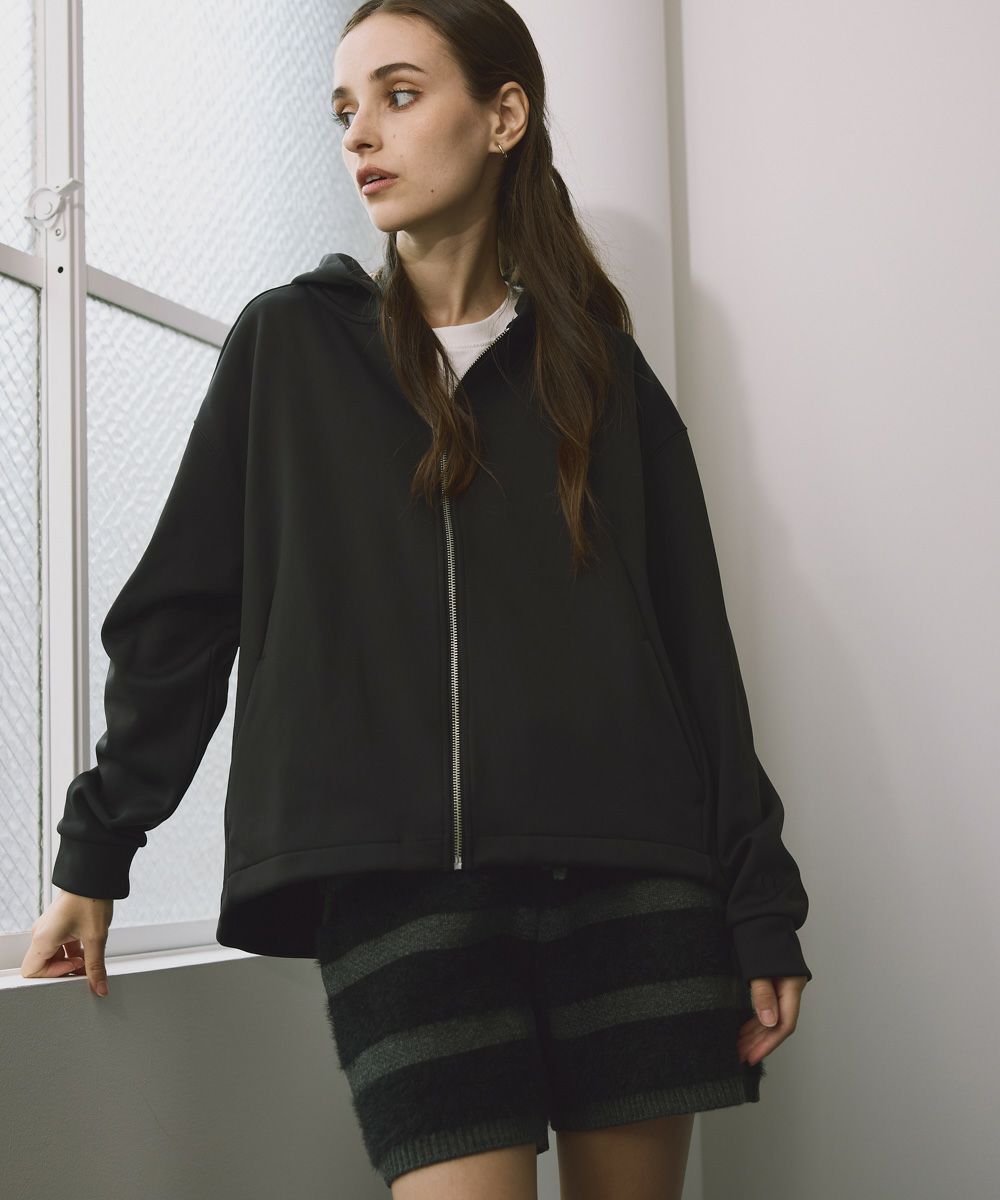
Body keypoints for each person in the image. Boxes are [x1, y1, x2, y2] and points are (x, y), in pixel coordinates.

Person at [22, 2, 813, 1197]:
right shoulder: (289, 346)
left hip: (631, 878)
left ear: (503, 116)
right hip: (399, 895)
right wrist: (96, 852)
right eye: (345, 109)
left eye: (398, 95)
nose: (359, 134)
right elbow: (178, 618)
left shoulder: (599, 372)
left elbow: (694, 651)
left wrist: (759, 902)